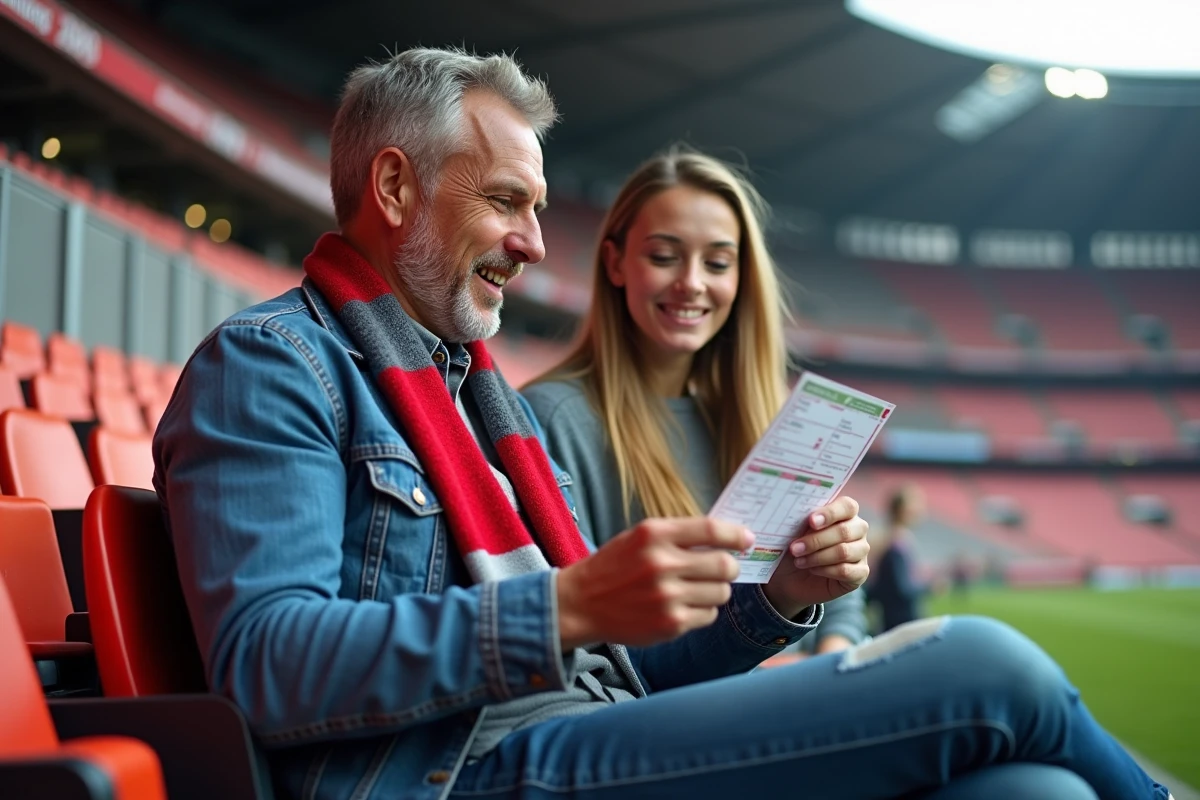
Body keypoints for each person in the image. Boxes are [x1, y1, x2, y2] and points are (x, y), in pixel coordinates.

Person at [153, 47, 1172, 800]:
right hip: (463, 775)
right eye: (506, 200)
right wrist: (564, 606)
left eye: (537, 208)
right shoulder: (273, 363)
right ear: (393, 186)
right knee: (988, 663)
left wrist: (774, 603)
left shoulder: (474, 398)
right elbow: (267, 664)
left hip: (568, 740)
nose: (532, 242)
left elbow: (618, 676)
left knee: (1035, 790)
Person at [522, 148, 863, 658]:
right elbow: (594, 655)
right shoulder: (552, 419)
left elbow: (837, 603)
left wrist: (836, 648)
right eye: (664, 256)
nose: (692, 283)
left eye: (718, 262)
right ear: (615, 262)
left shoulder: (771, 417)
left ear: (741, 277)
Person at [869, 484, 935, 632]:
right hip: (900, 624)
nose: (921, 510)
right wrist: (929, 586)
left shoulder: (890, 539)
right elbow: (902, 589)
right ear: (902, 510)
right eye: (916, 504)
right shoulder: (895, 545)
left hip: (894, 621)